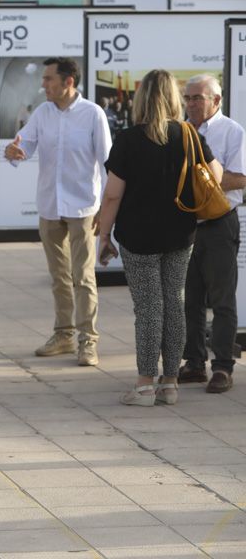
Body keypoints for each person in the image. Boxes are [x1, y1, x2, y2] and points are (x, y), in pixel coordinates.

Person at [98, 70, 222, 406]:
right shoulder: (187, 134)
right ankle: (170, 384)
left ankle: (143, 385)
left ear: (141, 98)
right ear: (173, 98)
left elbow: (112, 195)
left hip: (138, 236)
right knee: (174, 304)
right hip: (181, 232)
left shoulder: (128, 139)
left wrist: (104, 234)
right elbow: (215, 175)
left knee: (149, 308)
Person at [5, 57, 111, 367]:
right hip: (50, 207)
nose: (43, 84)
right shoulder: (43, 113)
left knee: (84, 277)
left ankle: (88, 340)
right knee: (59, 278)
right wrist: (12, 153)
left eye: (49, 78)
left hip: (83, 207)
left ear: (68, 82)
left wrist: (106, 209)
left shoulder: (93, 115)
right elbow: (24, 147)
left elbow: (107, 164)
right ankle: (63, 335)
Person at [178, 74, 246, 393]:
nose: (191, 103)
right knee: (189, 299)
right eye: (188, 98)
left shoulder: (231, 131)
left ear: (216, 100)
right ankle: (193, 362)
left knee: (221, 298)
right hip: (184, 225)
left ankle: (222, 367)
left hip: (219, 223)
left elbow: (240, 178)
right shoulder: (178, 130)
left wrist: (200, 182)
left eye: (197, 98)